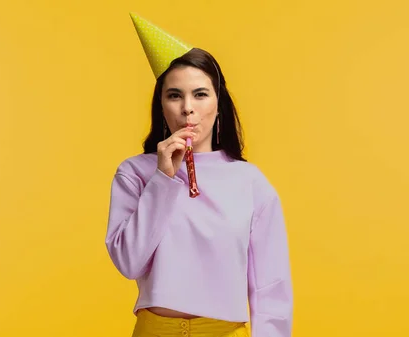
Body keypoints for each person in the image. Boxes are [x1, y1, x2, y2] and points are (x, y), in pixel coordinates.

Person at [105, 13, 293, 337]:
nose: (187, 108)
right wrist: (163, 178)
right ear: (161, 105)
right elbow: (129, 262)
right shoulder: (135, 173)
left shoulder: (249, 182)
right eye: (175, 95)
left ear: (218, 105)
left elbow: (271, 288)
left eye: (200, 94)